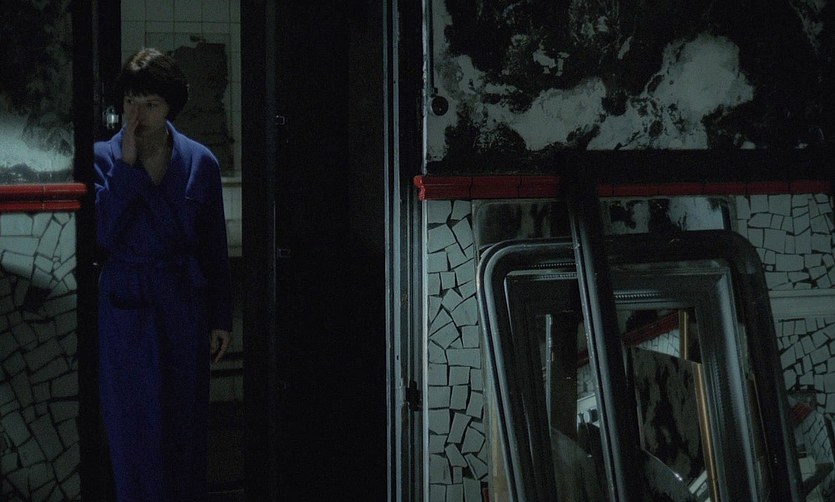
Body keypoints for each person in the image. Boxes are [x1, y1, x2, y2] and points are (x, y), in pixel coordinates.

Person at [94, 47, 232, 502]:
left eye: (151, 104)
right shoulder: (101, 158)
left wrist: (221, 317)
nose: (138, 115)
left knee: (183, 421)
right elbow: (101, 234)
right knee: (131, 422)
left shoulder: (200, 161)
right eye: (131, 102)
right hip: (125, 300)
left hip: (180, 300)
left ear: (171, 106)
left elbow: (214, 248)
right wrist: (126, 167)